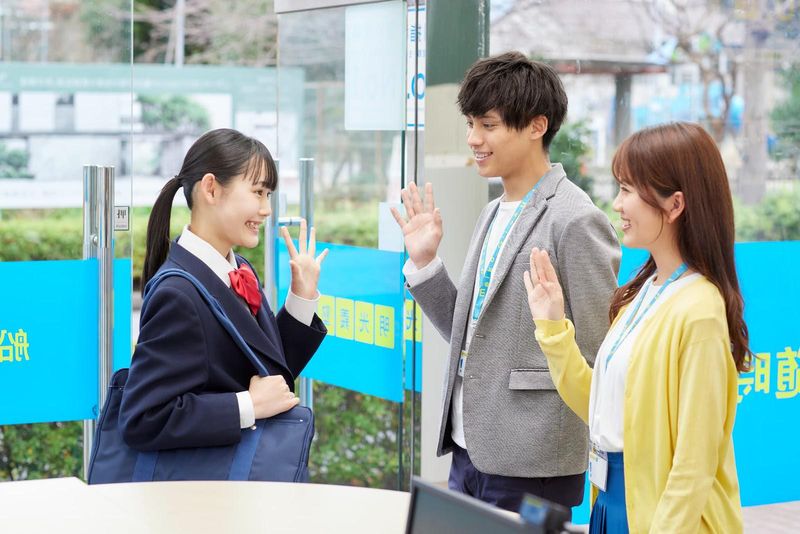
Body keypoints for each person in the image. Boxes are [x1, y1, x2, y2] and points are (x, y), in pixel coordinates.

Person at [391, 51, 620, 512]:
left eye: (488, 125)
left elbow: (598, 355)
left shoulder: (575, 219)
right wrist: (426, 263)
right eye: (471, 124)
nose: (474, 138)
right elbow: (474, 334)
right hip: (469, 447)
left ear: (537, 126)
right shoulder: (493, 211)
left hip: (533, 458)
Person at [524, 122, 747, 532]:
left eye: (627, 189)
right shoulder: (644, 293)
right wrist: (553, 327)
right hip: (612, 503)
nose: (617, 204)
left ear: (674, 205)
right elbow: (599, 408)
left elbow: (693, 466)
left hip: (658, 517)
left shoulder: (699, 310)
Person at [120, 128, 328, 452]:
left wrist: (301, 299)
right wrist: (247, 405)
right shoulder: (177, 294)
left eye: (268, 195)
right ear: (211, 189)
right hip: (208, 481)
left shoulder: (238, 268)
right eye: (258, 192)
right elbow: (143, 419)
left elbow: (270, 376)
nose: (266, 209)